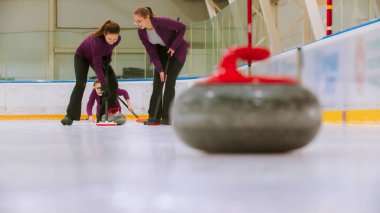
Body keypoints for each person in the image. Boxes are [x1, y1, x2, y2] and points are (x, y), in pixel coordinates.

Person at [133, 7, 189, 125]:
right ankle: (154, 116)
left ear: (147, 17)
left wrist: (173, 46)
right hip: (162, 53)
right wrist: (160, 69)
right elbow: (151, 51)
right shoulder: (141, 32)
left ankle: (167, 117)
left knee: (169, 83)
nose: (137, 24)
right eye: (135, 21)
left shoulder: (161, 22)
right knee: (158, 83)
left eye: (139, 21)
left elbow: (182, 27)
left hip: (177, 51)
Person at [61, 20, 121, 126]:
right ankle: (70, 115)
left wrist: (109, 58)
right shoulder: (97, 41)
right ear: (104, 34)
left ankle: (104, 114)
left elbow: (110, 48)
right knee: (80, 84)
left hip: (100, 57)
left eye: (114, 38)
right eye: (109, 39)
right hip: (82, 57)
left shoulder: (117, 40)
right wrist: (103, 84)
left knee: (113, 82)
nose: (112, 41)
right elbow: (97, 65)